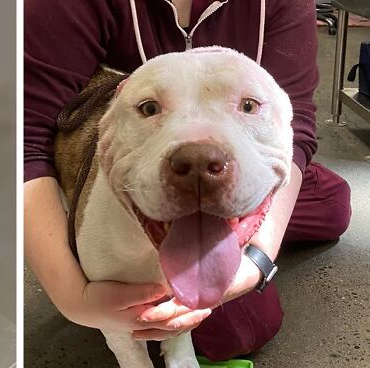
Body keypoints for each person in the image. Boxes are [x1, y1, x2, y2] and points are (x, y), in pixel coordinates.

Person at [24, 0, 352, 362]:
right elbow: (23, 142)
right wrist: (74, 298)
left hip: (241, 164)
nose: (201, 159)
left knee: (333, 206)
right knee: (238, 329)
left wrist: (259, 257)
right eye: (149, 108)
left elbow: (300, 123)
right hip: (144, 172)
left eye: (248, 105)